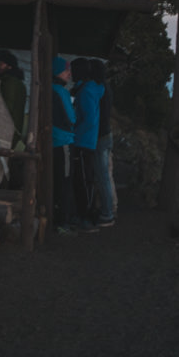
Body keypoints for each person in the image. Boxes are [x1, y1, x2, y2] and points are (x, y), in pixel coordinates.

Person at [70, 57, 103, 232]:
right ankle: (86, 214)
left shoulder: (86, 91)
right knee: (86, 178)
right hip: (88, 140)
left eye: (72, 70)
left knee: (82, 180)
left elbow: (88, 118)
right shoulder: (91, 88)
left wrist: (74, 131)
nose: (70, 74)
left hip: (83, 141)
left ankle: (86, 217)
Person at [50, 55, 78, 234]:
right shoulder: (61, 92)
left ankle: (57, 216)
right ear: (57, 72)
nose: (69, 73)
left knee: (56, 179)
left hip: (52, 140)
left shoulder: (48, 89)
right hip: (64, 141)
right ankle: (64, 222)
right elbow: (71, 118)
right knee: (66, 181)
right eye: (66, 70)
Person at [91, 59, 116, 227]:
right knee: (106, 174)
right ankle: (110, 207)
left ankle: (107, 213)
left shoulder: (97, 89)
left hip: (99, 136)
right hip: (107, 134)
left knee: (102, 176)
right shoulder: (106, 87)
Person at [0, 48, 27, 150]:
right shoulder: (17, 82)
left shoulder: (9, 83)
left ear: (9, 66)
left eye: (1, 64)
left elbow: (6, 107)